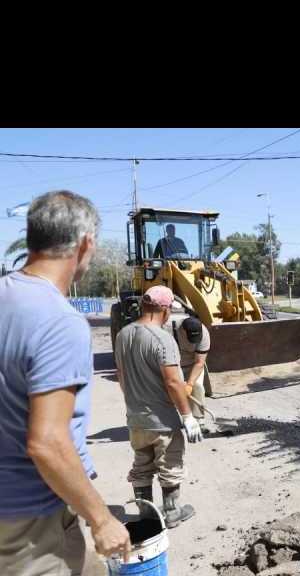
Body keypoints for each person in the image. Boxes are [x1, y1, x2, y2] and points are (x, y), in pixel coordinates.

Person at [0, 190, 131, 575]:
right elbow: (47, 443)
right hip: (32, 521)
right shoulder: (59, 321)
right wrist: (102, 519)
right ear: (85, 243)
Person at [114, 285, 203, 529]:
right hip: (161, 419)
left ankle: (147, 515)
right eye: (169, 311)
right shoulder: (162, 339)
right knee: (170, 465)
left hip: (135, 418)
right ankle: (172, 513)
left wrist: (135, 401)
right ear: (163, 309)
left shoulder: (123, 335)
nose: (169, 316)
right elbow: (173, 381)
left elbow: (121, 376)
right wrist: (188, 416)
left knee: (142, 465)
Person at [164, 312, 211, 433]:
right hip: (172, 364)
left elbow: (199, 362)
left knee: (198, 387)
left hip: (193, 364)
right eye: (190, 338)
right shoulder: (165, 328)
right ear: (183, 331)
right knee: (170, 390)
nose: (193, 341)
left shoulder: (204, 333)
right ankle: (171, 420)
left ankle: (199, 421)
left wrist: (189, 384)